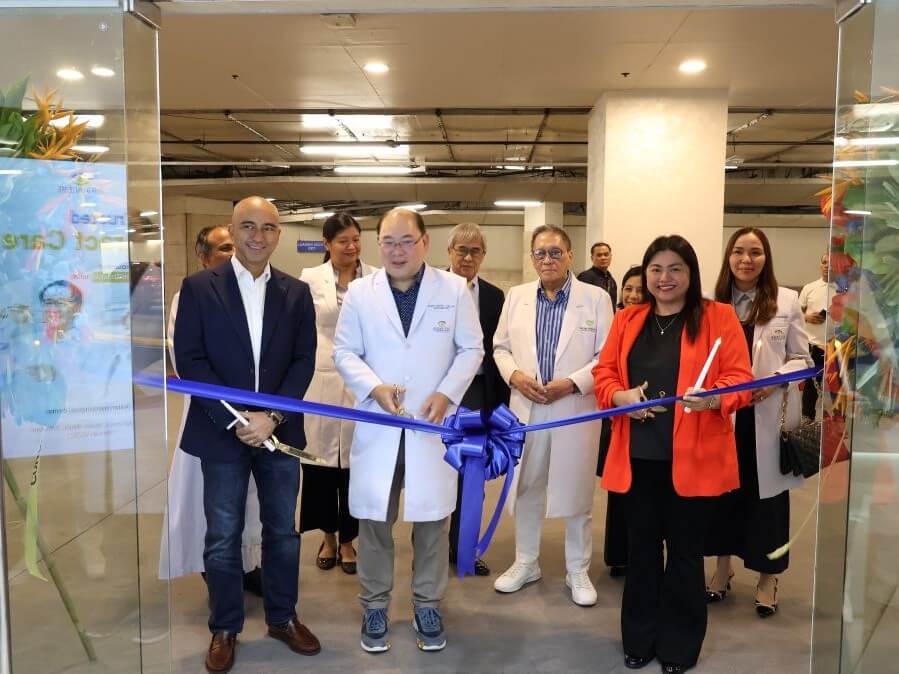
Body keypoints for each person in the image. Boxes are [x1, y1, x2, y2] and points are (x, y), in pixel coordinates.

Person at [593, 234, 752, 673]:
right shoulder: (629, 319)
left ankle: (680, 644)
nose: (664, 278)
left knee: (684, 552)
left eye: (675, 269)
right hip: (639, 457)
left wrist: (716, 398)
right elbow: (604, 372)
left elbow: (741, 378)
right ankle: (639, 637)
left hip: (693, 459)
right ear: (645, 275)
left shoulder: (717, 318)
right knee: (641, 551)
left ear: (691, 273)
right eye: (656, 270)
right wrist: (619, 395)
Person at [174, 197, 321, 672]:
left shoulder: (296, 294)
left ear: (279, 235)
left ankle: (282, 617)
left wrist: (271, 419)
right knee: (223, 535)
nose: (258, 235)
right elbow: (191, 361)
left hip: (279, 432)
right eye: (248, 226)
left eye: (268, 227)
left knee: (283, 531)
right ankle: (225, 626)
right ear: (232, 232)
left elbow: (303, 361)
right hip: (222, 433)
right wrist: (239, 420)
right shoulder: (198, 288)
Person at [333, 208, 483, 654]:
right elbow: (344, 352)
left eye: (406, 241)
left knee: (433, 522)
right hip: (380, 426)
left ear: (424, 243)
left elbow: (472, 348)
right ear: (378, 244)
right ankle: (375, 604)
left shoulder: (453, 289)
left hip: (431, 426)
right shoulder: (361, 292)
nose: (397, 251)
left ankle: (427, 604)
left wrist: (447, 392)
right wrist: (373, 387)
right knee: (374, 520)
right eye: (388, 242)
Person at [493, 224, 613, 607]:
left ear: (570, 256)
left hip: (573, 408)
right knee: (526, 486)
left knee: (577, 490)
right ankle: (526, 562)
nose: (548, 259)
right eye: (540, 253)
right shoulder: (516, 297)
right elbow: (500, 347)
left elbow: (606, 358)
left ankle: (577, 569)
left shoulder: (595, 299)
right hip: (526, 408)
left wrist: (573, 383)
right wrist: (514, 376)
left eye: (555, 252)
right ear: (532, 258)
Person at [705, 227, 812, 619]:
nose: (746, 260)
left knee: (767, 501)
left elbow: (804, 358)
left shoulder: (786, 300)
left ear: (766, 258)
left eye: (755, 252)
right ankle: (721, 569)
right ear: (728, 258)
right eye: (738, 252)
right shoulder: (713, 302)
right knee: (722, 496)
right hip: (725, 415)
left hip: (766, 416)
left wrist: (773, 382)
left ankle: (768, 579)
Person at [159, 226, 266, 595]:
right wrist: (233, 415)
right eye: (223, 248)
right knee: (215, 507)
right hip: (212, 417)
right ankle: (218, 577)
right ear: (204, 257)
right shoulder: (191, 294)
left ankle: (251, 565)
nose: (232, 251)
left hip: (259, 422)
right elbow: (187, 359)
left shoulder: (259, 293)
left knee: (253, 500)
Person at [298, 213, 374, 575]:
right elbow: (300, 328)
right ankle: (328, 537)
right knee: (321, 466)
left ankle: (348, 541)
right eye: (343, 240)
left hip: (362, 381)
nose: (352, 247)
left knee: (356, 467)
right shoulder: (310, 278)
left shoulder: (376, 277)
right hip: (321, 382)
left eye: (356, 239)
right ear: (327, 244)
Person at [445, 222, 510, 577]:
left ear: (483, 256)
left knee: (472, 474)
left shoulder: (496, 296)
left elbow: (499, 351)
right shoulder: (429, 287)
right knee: (438, 473)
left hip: (479, 396)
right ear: (449, 252)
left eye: (475, 251)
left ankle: (465, 547)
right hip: (441, 398)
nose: (468, 257)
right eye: (461, 250)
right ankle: (432, 546)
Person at [598, 264, 646, 578]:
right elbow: (605, 367)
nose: (632, 295)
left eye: (639, 290)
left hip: (651, 414)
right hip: (618, 413)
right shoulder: (617, 320)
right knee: (620, 491)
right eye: (628, 288)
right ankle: (619, 554)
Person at [799, 253, 833, 419]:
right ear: (820, 265)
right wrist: (806, 317)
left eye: (831, 263)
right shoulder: (809, 288)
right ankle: (807, 426)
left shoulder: (845, 289)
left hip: (837, 348)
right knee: (810, 391)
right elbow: (796, 313)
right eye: (824, 262)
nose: (827, 266)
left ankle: (835, 428)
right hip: (814, 347)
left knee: (835, 391)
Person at [577, 241, 617, 307]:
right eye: (599, 255)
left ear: (610, 257)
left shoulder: (611, 280)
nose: (603, 258)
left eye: (606, 254)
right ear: (592, 258)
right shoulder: (585, 277)